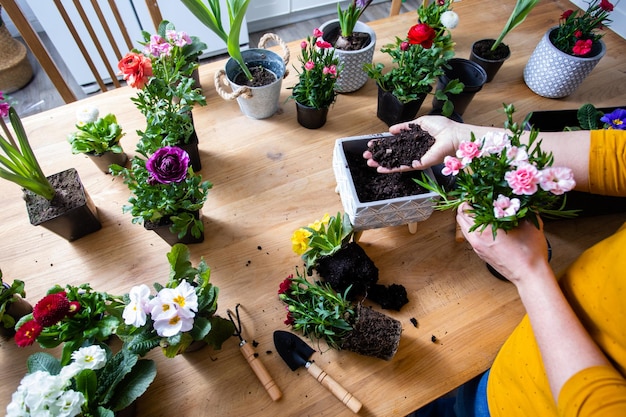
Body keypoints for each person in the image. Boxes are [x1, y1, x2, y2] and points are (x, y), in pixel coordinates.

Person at [364, 115, 626, 417]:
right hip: (526, 350)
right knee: (452, 404)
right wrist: (462, 136)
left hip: (527, 404)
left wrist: (529, 273)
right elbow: (615, 156)